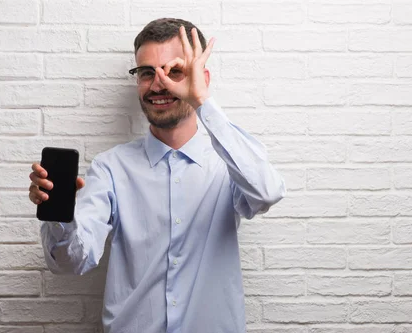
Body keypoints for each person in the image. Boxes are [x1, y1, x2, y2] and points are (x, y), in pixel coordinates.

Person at [29, 18, 286, 333]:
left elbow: (267, 192)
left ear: (200, 79)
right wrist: (59, 216)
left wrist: (202, 101)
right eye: (147, 72)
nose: (159, 84)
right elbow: (72, 263)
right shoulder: (111, 168)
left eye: (175, 71)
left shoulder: (228, 162)